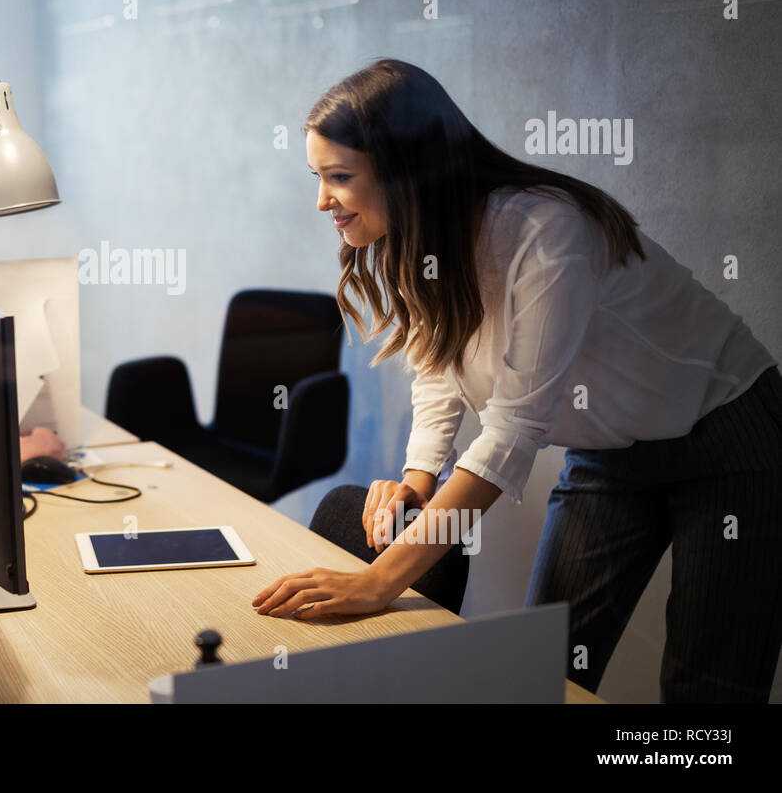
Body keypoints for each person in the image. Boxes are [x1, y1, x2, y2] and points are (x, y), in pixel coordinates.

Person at [251, 58, 782, 703]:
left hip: (729, 435)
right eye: (318, 177)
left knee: (708, 700)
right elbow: (439, 367)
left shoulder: (544, 229)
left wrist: (379, 580)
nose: (322, 201)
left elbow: (513, 427)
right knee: (539, 668)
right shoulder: (413, 237)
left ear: (407, 169)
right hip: (610, 455)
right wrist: (418, 480)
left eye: (339, 178)